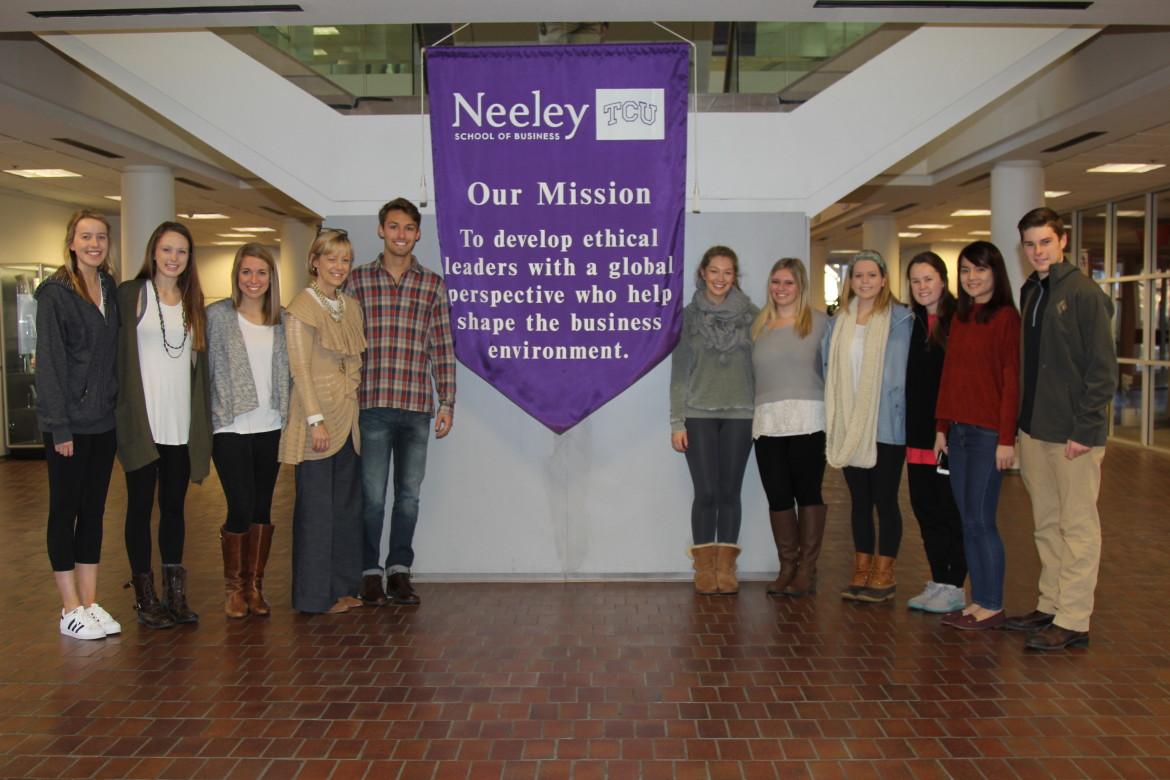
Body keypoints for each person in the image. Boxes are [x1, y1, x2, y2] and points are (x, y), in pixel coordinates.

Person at [1004, 207, 1116, 650]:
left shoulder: (1084, 293)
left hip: (1073, 434)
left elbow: (1102, 371)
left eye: (1045, 242)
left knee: (1077, 527)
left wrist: (1085, 429)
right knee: (1046, 524)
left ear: (1063, 241)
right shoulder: (1031, 290)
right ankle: (1050, 604)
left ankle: (1073, 619)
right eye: (1030, 245)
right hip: (1035, 429)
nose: (1038, 252)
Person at [347, 199, 455, 607]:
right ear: (381, 230)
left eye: (409, 228)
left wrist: (447, 400)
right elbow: (343, 345)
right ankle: (368, 572)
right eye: (393, 226)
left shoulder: (432, 284)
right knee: (373, 498)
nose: (401, 234)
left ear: (418, 234)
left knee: (408, 497)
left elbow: (441, 346)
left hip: (415, 407)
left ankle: (399, 571)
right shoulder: (357, 281)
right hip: (371, 405)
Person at [115, 221, 211, 629]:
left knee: (173, 509)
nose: (174, 258)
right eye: (167, 249)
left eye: (182, 251)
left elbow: (196, 368)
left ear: (190, 258)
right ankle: (145, 598)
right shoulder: (131, 295)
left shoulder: (193, 302)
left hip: (180, 425)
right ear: (153, 252)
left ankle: (175, 595)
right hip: (142, 424)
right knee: (139, 509)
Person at [35, 210, 121, 640]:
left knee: (93, 512)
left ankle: (89, 602)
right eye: (86, 236)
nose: (94, 244)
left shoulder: (108, 287)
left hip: (103, 422)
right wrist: (59, 426)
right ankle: (68, 607)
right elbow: (49, 364)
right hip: (68, 424)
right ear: (71, 242)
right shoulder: (55, 293)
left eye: (101, 237)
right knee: (64, 511)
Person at [279, 228, 366, 614]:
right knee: (316, 512)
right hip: (317, 420)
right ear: (314, 261)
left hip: (347, 417)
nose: (339, 266)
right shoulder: (302, 306)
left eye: (345, 259)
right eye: (331, 258)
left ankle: (343, 587)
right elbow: (300, 370)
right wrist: (316, 420)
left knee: (345, 509)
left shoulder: (350, 306)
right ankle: (314, 597)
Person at [933, 242, 1020, 630]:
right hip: (959, 432)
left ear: (995, 273)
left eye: (980, 269)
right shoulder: (961, 318)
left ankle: (993, 604)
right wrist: (941, 427)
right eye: (966, 270)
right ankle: (977, 601)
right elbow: (950, 377)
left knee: (983, 520)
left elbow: (1011, 381)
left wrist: (1006, 438)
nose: (972, 277)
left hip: (987, 436)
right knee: (967, 519)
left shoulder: (1006, 318)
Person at [823, 249, 913, 603]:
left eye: (871, 275)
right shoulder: (838, 322)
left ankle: (884, 573)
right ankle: (861, 570)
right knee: (859, 501)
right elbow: (828, 368)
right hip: (850, 422)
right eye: (858, 275)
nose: (865, 281)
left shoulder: (902, 320)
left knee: (885, 499)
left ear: (884, 279)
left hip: (887, 422)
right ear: (850, 281)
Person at [207, 244, 289, 619]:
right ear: (236, 275)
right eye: (246, 272)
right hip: (230, 424)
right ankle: (234, 589)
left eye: (261, 272)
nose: (253, 280)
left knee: (261, 506)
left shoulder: (282, 320)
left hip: (271, 424)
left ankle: (255, 587)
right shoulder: (216, 316)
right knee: (239, 504)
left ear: (271, 278)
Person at [670, 246, 757, 595]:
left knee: (729, 492)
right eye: (714, 271)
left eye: (728, 272)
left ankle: (726, 567)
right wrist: (677, 422)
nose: (721, 278)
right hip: (698, 414)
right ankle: (705, 568)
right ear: (703, 273)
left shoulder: (752, 316)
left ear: (735, 277)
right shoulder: (688, 317)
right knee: (706, 492)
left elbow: (761, 368)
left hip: (741, 415)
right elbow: (679, 373)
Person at [750, 258, 828, 597]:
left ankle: (807, 571)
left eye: (788, 282)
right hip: (768, 421)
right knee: (778, 495)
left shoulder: (821, 323)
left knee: (807, 493)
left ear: (801, 286)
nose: (780, 288)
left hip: (808, 418)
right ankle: (788, 567)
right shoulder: (758, 325)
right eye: (776, 281)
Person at [903, 252, 966, 614]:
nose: (922, 286)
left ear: (943, 280)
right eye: (915, 281)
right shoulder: (912, 323)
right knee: (924, 507)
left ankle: (955, 584)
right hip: (917, 434)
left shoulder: (959, 321)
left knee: (948, 509)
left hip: (947, 434)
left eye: (928, 279)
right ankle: (938, 579)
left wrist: (947, 427)